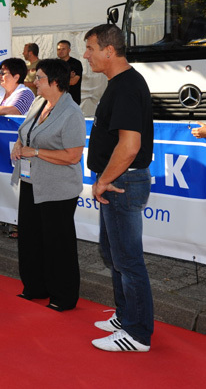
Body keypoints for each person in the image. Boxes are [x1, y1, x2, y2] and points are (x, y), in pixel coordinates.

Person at [84, 23, 154, 353]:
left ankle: (137, 333)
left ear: (109, 51)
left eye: (91, 49)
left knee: (127, 260)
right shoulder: (119, 83)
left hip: (121, 183)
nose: (86, 56)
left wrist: (104, 181)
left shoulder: (126, 86)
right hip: (116, 182)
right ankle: (126, 315)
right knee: (113, 255)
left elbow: (129, 146)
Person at [9, 59, 86, 311]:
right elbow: (26, 133)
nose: (35, 81)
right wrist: (19, 146)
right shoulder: (38, 102)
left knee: (57, 244)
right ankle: (35, 288)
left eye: (39, 77)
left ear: (55, 82)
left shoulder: (72, 113)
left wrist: (36, 152)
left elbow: (73, 156)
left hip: (58, 188)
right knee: (30, 239)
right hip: (31, 183)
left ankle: (62, 297)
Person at [0, 57, 36, 240]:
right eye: (0, 72)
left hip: (22, 148)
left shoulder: (25, 93)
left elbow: (13, 111)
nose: (0, 76)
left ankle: (21, 224)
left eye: (4, 73)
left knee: (20, 186)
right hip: (1, 148)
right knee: (5, 183)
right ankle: (8, 220)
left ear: (17, 76)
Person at [57, 40, 83, 105]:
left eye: (63, 49)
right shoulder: (55, 64)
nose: (61, 51)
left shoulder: (76, 63)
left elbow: (73, 81)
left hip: (72, 100)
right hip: (58, 100)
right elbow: (50, 81)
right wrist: (68, 77)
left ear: (69, 50)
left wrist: (58, 81)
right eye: (58, 49)